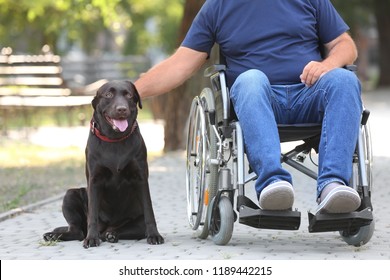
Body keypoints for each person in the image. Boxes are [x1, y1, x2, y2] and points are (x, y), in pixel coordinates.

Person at [134, 0, 362, 214]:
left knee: (345, 79)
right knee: (250, 78)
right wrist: (132, 92)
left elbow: (345, 45)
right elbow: (180, 64)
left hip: (309, 94)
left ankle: (333, 185)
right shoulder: (219, 6)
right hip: (256, 99)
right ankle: (273, 184)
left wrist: (327, 65)